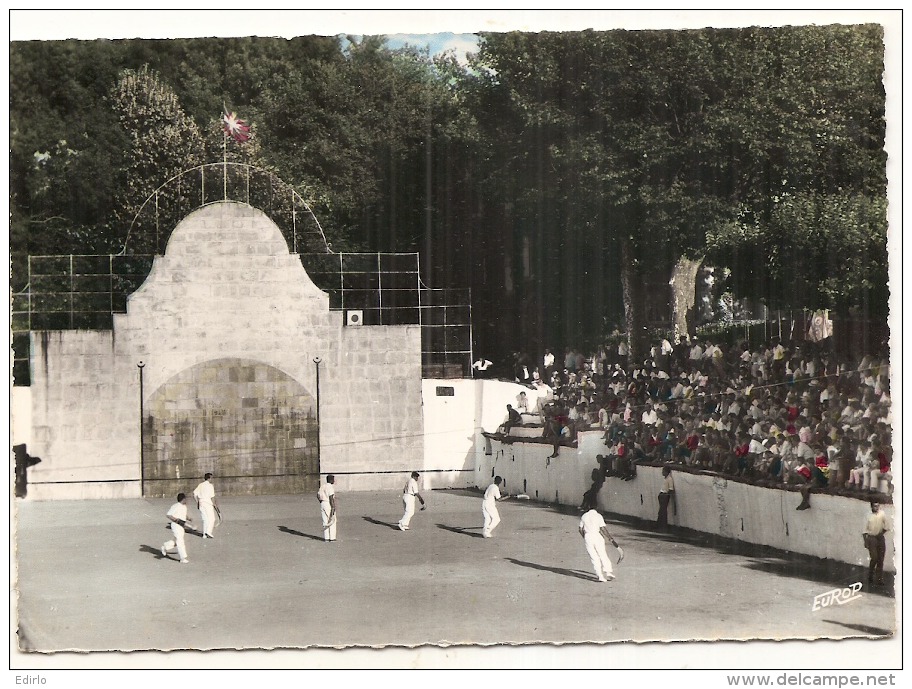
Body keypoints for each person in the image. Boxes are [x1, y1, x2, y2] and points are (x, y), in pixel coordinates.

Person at [578, 507, 624, 582]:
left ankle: (600, 576)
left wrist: (585, 537)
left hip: (588, 536)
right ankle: (608, 572)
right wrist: (610, 538)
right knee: (603, 554)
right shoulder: (598, 516)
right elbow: (603, 529)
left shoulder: (584, 516)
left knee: (594, 557)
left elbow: (580, 529)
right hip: (597, 536)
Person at [863, 501, 890, 586]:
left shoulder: (882, 514)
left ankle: (879, 579)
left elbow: (887, 526)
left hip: (880, 538)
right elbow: (864, 530)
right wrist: (865, 541)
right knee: (874, 558)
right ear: (871, 507)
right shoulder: (868, 515)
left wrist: (882, 533)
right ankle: (870, 575)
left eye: (878, 506)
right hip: (871, 538)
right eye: (875, 506)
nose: (877, 508)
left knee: (880, 559)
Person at [162, 493, 192, 564]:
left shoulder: (184, 506)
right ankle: (183, 558)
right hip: (176, 525)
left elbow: (183, 514)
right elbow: (168, 515)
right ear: (183, 499)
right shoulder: (175, 506)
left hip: (182, 526)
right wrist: (176, 520)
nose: (187, 500)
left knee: (176, 541)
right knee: (180, 541)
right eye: (186, 499)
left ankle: (165, 547)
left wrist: (188, 518)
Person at [192, 473, 219, 539]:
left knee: (205, 519)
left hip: (201, 503)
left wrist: (197, 502)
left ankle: (204, 534)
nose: (212, 479)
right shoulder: (210, 486)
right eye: (211, 478)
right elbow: (212, 497)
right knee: (212, 519)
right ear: (209, 478)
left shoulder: (200, 485)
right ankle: (208, 532)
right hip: (208, 503)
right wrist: (215, 504)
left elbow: (194, 494)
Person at [318, 474, 337, 542]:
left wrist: (321, 501)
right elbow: (331, 498)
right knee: (332, 520)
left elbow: (318, 495)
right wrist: (333, 507)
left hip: (323, 503)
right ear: (331, 480)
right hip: (328, 503)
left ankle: (326, 537)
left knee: (325, 520)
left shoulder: (322, 486)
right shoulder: (330, 487)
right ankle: (332, 537)